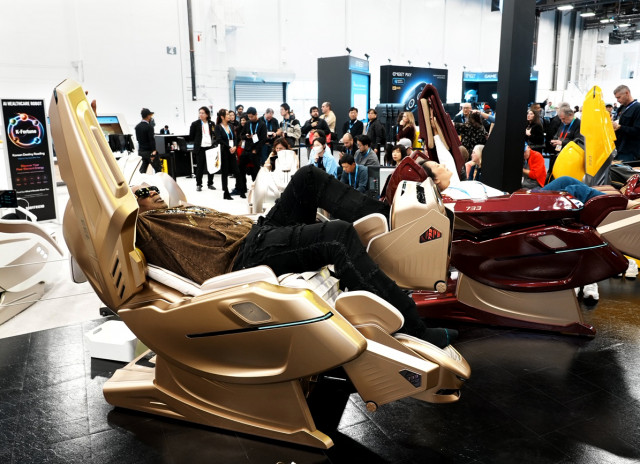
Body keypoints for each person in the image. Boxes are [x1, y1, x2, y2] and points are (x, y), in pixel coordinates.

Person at [132, 165, 458, 349]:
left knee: (307, 178)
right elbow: (109, 209)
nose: (153, 192)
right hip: (244, 255)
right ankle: (414, 326)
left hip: (256, 231)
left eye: (152, 187)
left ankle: (397, 225)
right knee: (338, 235)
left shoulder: (177, 208)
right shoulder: (147, 226)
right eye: (143, 192)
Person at [423, 160, 640, 209]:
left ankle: (615, 201)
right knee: (571, 188)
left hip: (515, 198)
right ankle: (621, 204)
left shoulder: (457, 186)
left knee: (566, 181)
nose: (443, 165)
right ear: (435, 180)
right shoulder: (452, 196)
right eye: (437, 166)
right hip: (514, 206)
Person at [239, 107, 267, 193]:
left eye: (252, 116)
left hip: (255, 151)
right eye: (249, 117)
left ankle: (257, 190)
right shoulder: (248, 123)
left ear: (256, 114)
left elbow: (263, 139)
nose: (250, 118)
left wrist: (256, 149)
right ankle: (242, 189)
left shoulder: (262, 124)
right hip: (246, 149)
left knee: (255, 172)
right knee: (241, 169)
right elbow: (241, 135)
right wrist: (246, 136)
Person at [189, 106, 217, 192]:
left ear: (207, 114)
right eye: (200, 113)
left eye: (202, 113)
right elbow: (191, 136)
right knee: (200, 167)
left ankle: (210, 183)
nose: (200, 114)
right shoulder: (195, 124)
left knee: (211, 167)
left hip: (210, 147)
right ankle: (199, 184)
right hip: (200, 148)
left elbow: (215, 134)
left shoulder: (211, 123)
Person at [214, 108, 240, 200]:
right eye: (227, 114)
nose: (229, 116)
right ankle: (226, 192)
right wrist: (229, 147)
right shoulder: (218, 127)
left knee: (237, 171)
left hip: (232, 151)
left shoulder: (231, 126)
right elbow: (219, 139)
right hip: (224, 151)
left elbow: (235, 138)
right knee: (225, 172)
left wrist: (235, 146)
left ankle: (240, 189)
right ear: (222, 117)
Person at [612, 84, 640, 162]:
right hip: (618, 148)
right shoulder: (621, 108)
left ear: (627, 93)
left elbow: (638, 131)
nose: (617, 100)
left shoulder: (637, 108)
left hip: (630, 151)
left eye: (619, 97)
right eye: (616, 98)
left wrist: (620, 127)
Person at [135, 108, 161, 174]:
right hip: (149, 152)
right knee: (158, 169)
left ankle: (140, 179)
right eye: (150, 115)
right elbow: (151, 139)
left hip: (141, 151)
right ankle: (159, 180)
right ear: (148, 116)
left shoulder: (137, 127)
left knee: (143, 169)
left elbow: (137, 139)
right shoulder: (149, 127)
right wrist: (154, 150)